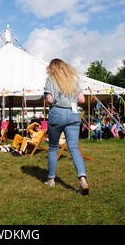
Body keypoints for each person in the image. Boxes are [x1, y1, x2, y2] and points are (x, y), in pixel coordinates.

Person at [43, 58, 89, 195]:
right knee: (74, 148)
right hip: (73, 114)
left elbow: (50, 99)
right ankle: (82, 180)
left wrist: (45, 98)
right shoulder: (73, 79)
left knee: (53, 148)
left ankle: (51, 180)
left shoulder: (50, 79)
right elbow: (82, 99)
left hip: (57, 113)